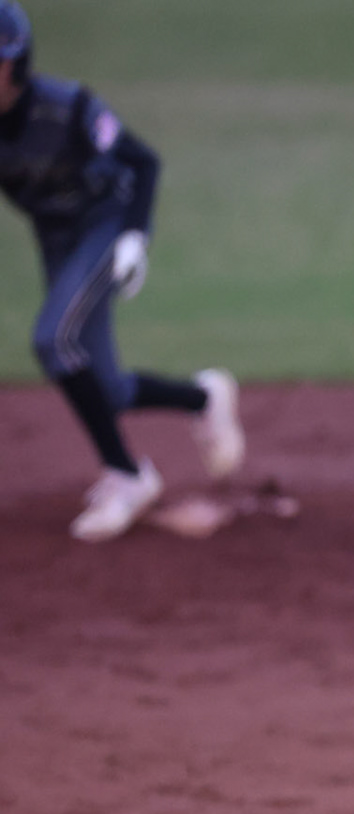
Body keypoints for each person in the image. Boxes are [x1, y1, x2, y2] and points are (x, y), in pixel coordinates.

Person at [0, 0, 243, 542]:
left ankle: (128, 475)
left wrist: (134, 236)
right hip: (57, 240)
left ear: (15, 63)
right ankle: (205, 398)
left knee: (53, 341)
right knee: (103, 387)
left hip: (104, 227)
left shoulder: (67, 108)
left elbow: (143, 160)